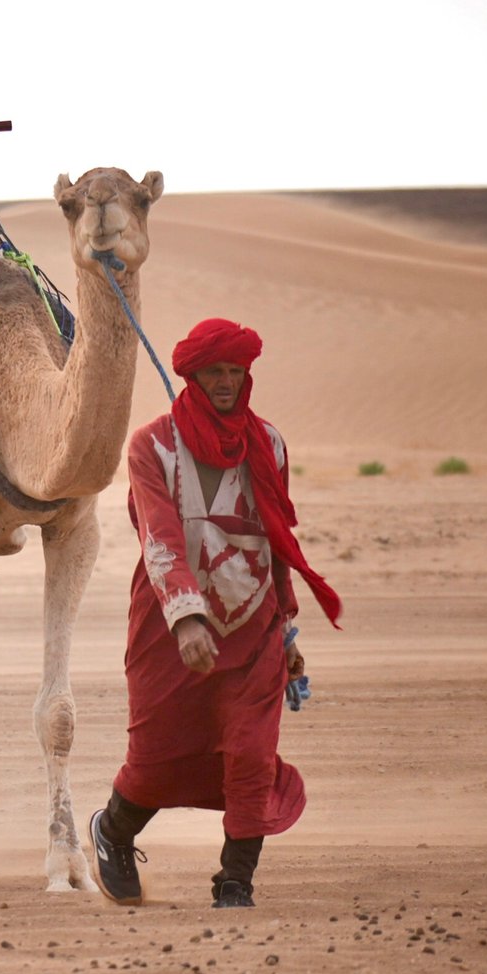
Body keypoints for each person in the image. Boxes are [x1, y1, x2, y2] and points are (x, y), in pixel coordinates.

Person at [87, 317, 342, 909]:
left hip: (254, 624)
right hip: (166, 625)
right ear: (193, 377)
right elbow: (159, 535)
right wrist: (186, 616)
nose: (226, 383)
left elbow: (277, 537)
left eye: (235, 371)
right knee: (157, 756)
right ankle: (114, 831)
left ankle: (235, 882)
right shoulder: (151, 445)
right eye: (214, 373)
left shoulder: (269, 443)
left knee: (251, 755)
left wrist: (286, 629)